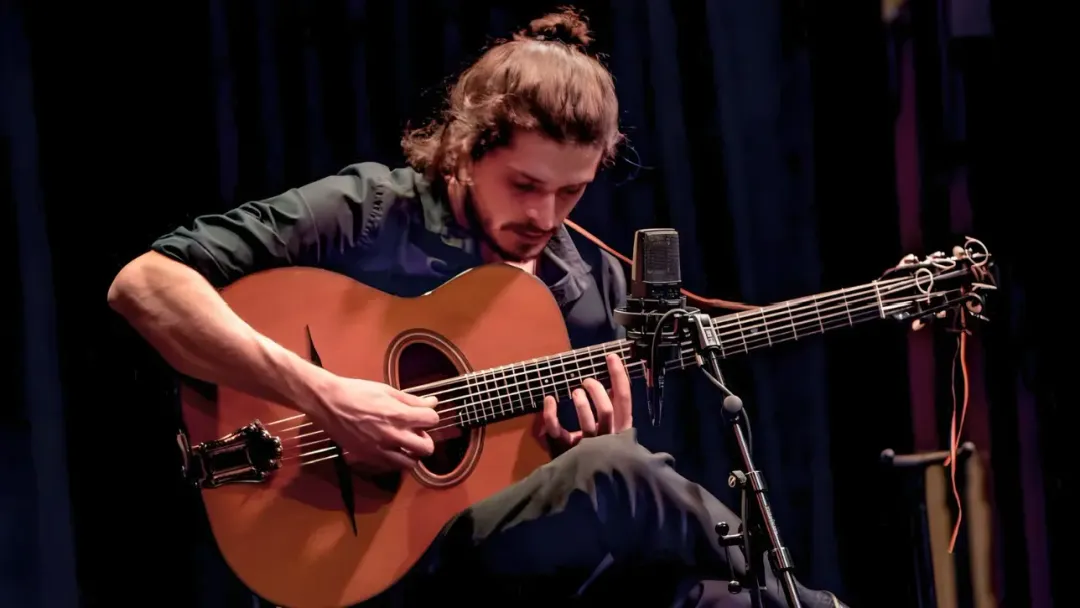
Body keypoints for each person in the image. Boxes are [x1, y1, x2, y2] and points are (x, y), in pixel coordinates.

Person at [107, 7, 846, 608]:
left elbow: (550, 483)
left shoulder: (587, 283)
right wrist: (326, 395)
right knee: (622, 475)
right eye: (524, 185)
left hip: (513, 566)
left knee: (709, 593)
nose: (546, 215)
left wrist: (573, 452)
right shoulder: (368, 213)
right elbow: (144, 285)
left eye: (572, 191)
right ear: (465, 149)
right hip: (364, 563)